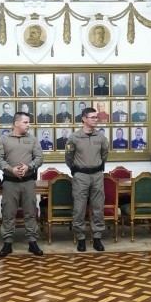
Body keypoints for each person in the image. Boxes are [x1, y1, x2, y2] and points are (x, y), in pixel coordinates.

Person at [0, 112, 44, 257]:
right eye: (26, 122)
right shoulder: (3, 139)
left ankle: (32, 242)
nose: (29, 125)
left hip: (28, 182)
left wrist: (29, 167)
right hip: (10, 183)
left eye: (29, 122)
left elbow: (39, 157)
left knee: (30, 213)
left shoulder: (33, 139)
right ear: (16, 123)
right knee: (8, 214)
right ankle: (7, 243)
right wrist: (11, 169)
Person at [65, 107, 109, 252]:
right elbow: (69, 157)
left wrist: (97, 167)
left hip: (97, 175)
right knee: (79, 208)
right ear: (84, 119)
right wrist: (76, 170)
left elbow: (104, 155)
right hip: (81, 176)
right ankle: (81, 239)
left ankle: (97, 238)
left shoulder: (101, 137)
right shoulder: (74, 137)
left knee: (98, 208)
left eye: (96, 117)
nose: (96, 119)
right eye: (92, 117)